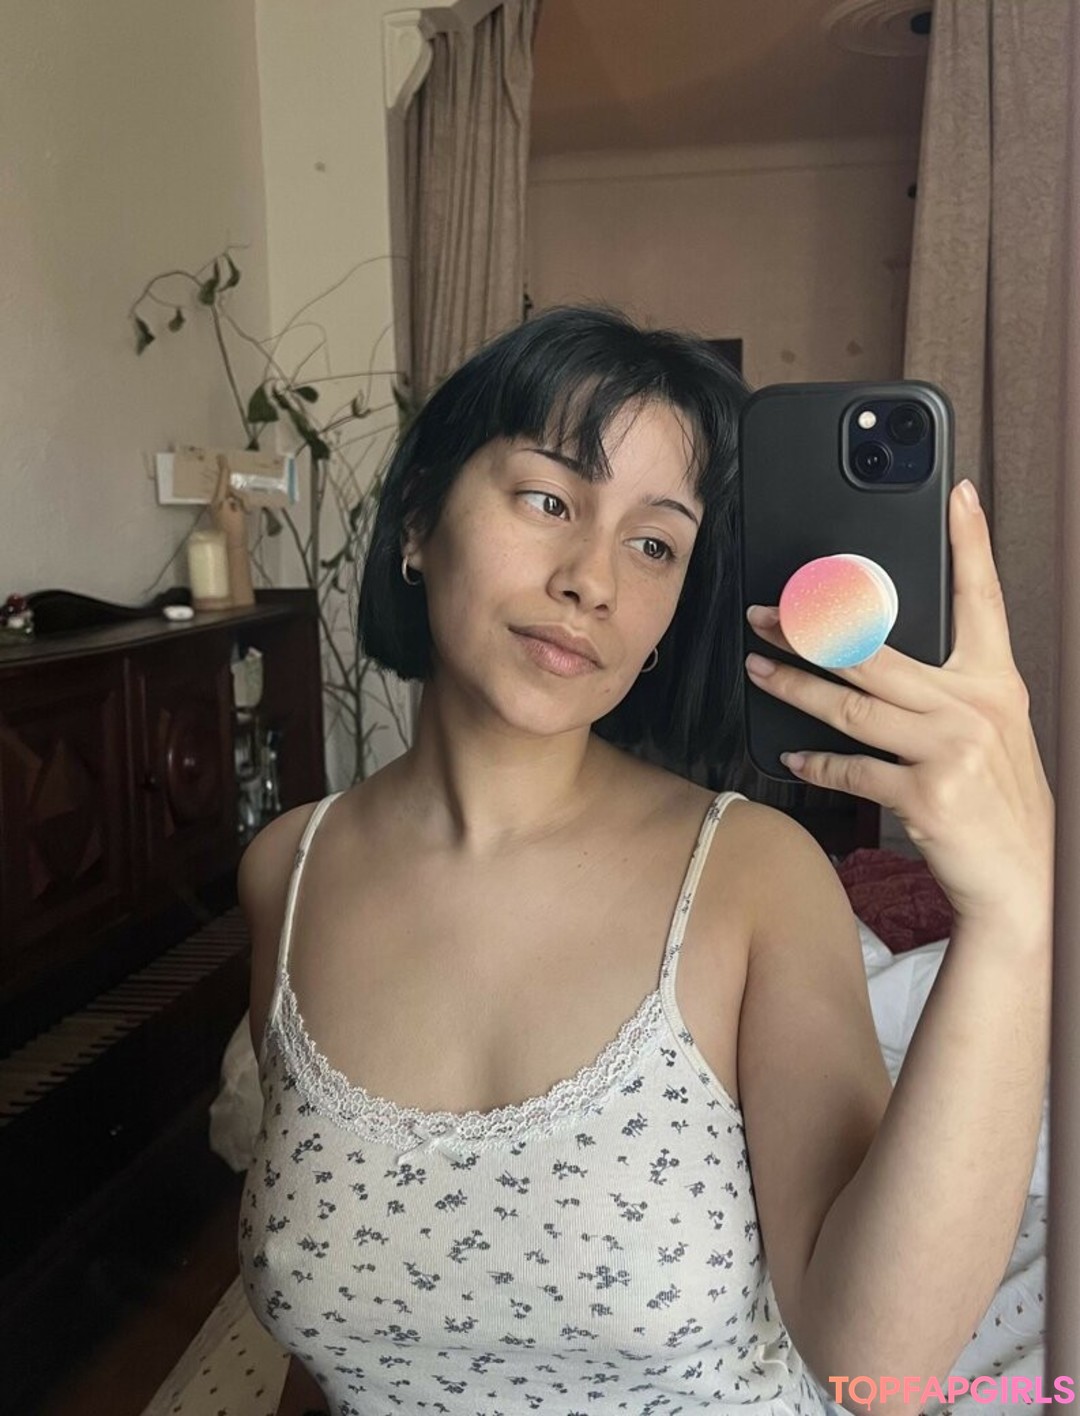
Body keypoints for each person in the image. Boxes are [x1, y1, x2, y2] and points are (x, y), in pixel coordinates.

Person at [236, 306, 1054, 1416]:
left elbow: (884, 1364)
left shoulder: (757, 876)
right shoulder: (288, 872)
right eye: (548, 499)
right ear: (419, 517)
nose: (593, 579)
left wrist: (1013, 914)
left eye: (655, 543)